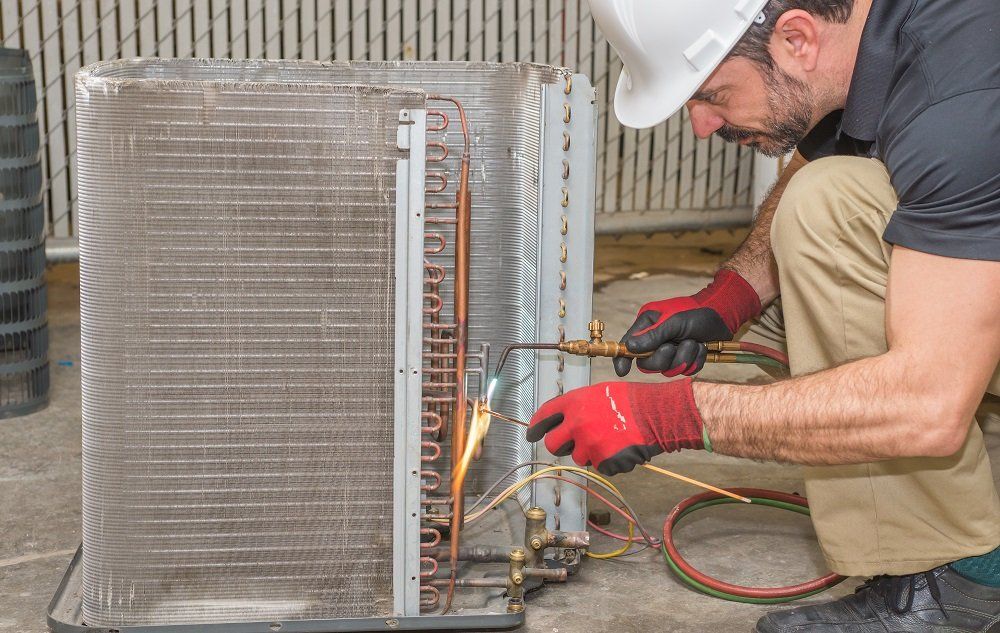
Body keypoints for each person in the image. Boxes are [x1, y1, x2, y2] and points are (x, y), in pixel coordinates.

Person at [525, 1, 1000, 630]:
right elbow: (820, 167)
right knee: (824, 201)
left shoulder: (958, 102)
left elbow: (926, 406)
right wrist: (729, 299)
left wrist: (667, 416)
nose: (700, 124)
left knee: (893, 367)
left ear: (796, 37)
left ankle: (963, 586)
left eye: (712, 94)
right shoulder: (860, 50)